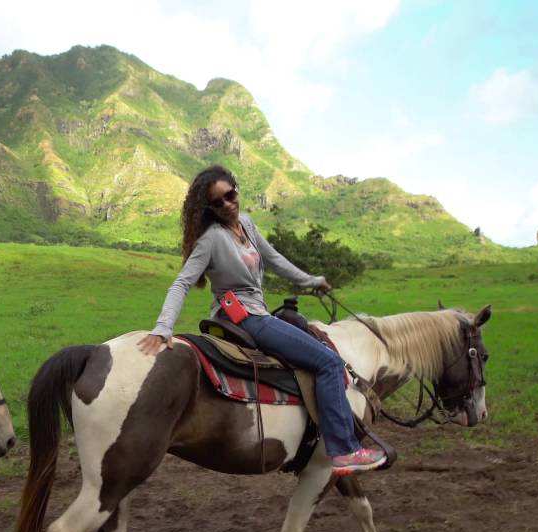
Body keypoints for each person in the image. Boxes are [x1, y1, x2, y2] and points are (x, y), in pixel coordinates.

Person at [137, 165, 385, 475]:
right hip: (244, 318)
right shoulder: (211, 240)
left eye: (230, 195)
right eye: (218, 202)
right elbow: (182, 282)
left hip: (260, 312)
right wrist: (163, 327)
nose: (228, 204)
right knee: (330, 363)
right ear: (209, 209)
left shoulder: (248, 225)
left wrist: (311, 280)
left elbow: (275, 260)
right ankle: (344, 450)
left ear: (237, 190)